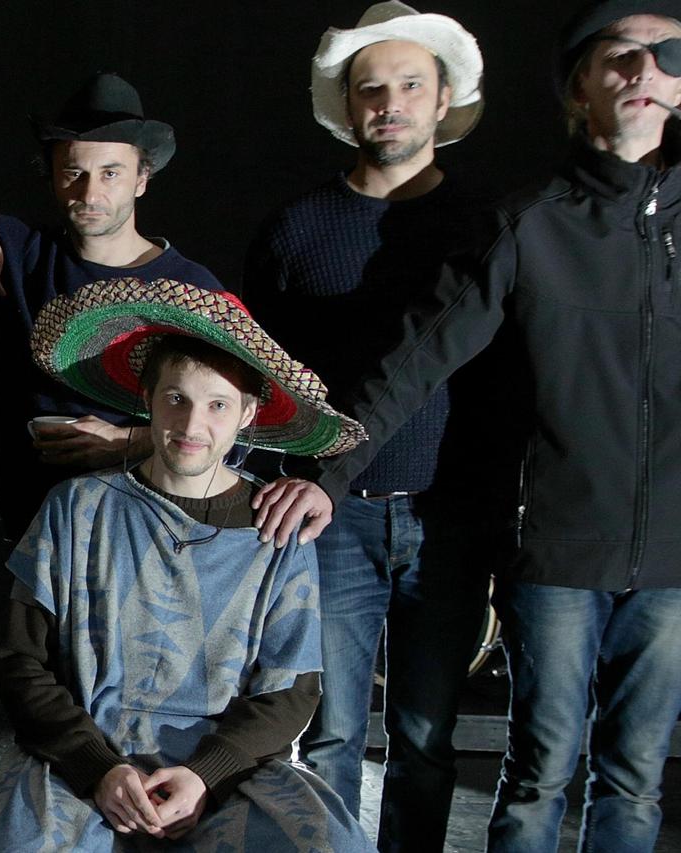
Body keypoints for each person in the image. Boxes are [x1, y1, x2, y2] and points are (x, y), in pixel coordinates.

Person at [253, 1, 681, 850]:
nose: (643, 71)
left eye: (667, 55)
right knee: (524, 773)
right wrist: (321, 473)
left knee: (626, 779)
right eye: (619, 55)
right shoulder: (526, 222)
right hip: (538, 546)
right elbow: (403, 362)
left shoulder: (495, 211)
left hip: (609, 542)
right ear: (578, 87)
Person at [0, 278, 370, 851]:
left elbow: (292, 689)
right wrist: (97, 767)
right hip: (87, 758)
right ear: (148, 397)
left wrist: (205, 774)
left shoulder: (277, 530)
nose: (191, 426)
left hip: (226, 771)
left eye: (217, 405)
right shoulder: (78, 509)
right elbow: (21, 662)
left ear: (247, 414)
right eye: (176, 399)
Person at [242, 4, 495, 848]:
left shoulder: (484, 226)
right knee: (331, 734)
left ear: (443, 99)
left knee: (426, 738)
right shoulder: (297, 227)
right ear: (347, 106)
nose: (390, 104)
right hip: (331, 517)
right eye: (371, 89)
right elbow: (259, 376)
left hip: (447, 512)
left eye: (410, 85)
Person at [0, 72, 224, 537]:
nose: (90, 194)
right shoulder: (25, 254)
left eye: (111, 173)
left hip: (151, 530)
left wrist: (128, 442)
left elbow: (237, 432)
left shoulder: (192, 290)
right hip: (35, 527)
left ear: (141, 179)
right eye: (74, 173)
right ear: (52, 175)